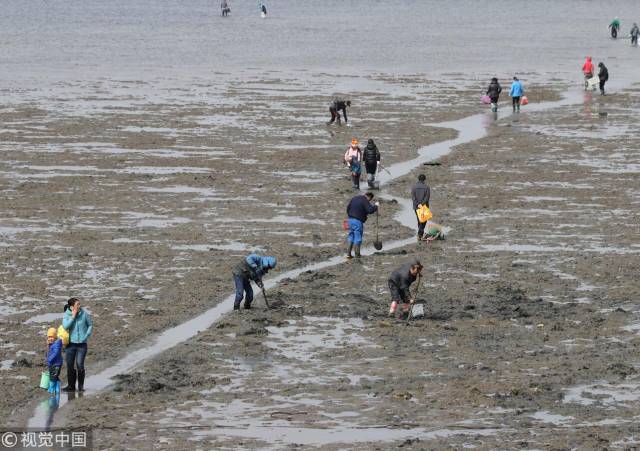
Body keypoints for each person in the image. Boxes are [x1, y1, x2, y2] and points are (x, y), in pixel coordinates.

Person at [62, 298, 93, 392]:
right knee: (70, 365)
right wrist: (73, 316)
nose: (80, 306)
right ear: (71, 307)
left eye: (80, 304)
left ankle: (80, 387)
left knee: (80, 365)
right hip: (70, 345)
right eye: (77, 305)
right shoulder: (66, 315)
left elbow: (90, 325)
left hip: (82, 345)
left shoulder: (84, 314)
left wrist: (86, 335)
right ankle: (71, 386)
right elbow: (65, 326)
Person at [346, 192, 378, 259]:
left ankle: (348, 254)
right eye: (369, 200)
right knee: (358, 238)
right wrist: (376, 206)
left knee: (351, 236)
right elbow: (370, 210)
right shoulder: (365, 200)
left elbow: (348, 208)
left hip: (349, 220)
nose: (369, 201)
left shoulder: (355, 198)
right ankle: (357, 255)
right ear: (369, 197)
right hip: (357, 221)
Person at [411, 174, 430, 242]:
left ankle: (420, 233)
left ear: (418, 179)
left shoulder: (414, 187)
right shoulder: (427, 187)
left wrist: (418, 204)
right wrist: (422, 204)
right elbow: (427, 197)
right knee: (424, 220)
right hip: (424, 206)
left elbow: (413, 198)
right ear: (424, 179)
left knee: (419, 219)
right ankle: (420, 233)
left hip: (416, 206)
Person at [46, 327, 63, 395]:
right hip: (52, 364)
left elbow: (56, 353)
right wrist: (49, 345)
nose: (50, 338)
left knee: (53, 376)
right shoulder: (52, 344)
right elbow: (49, 352)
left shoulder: (57, 344)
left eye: (52, 337)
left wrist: (49, 359)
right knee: (54, 375)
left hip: (56, 364)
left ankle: (52, 388)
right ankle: (57, 387)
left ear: (55, 337)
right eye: (49, 337)